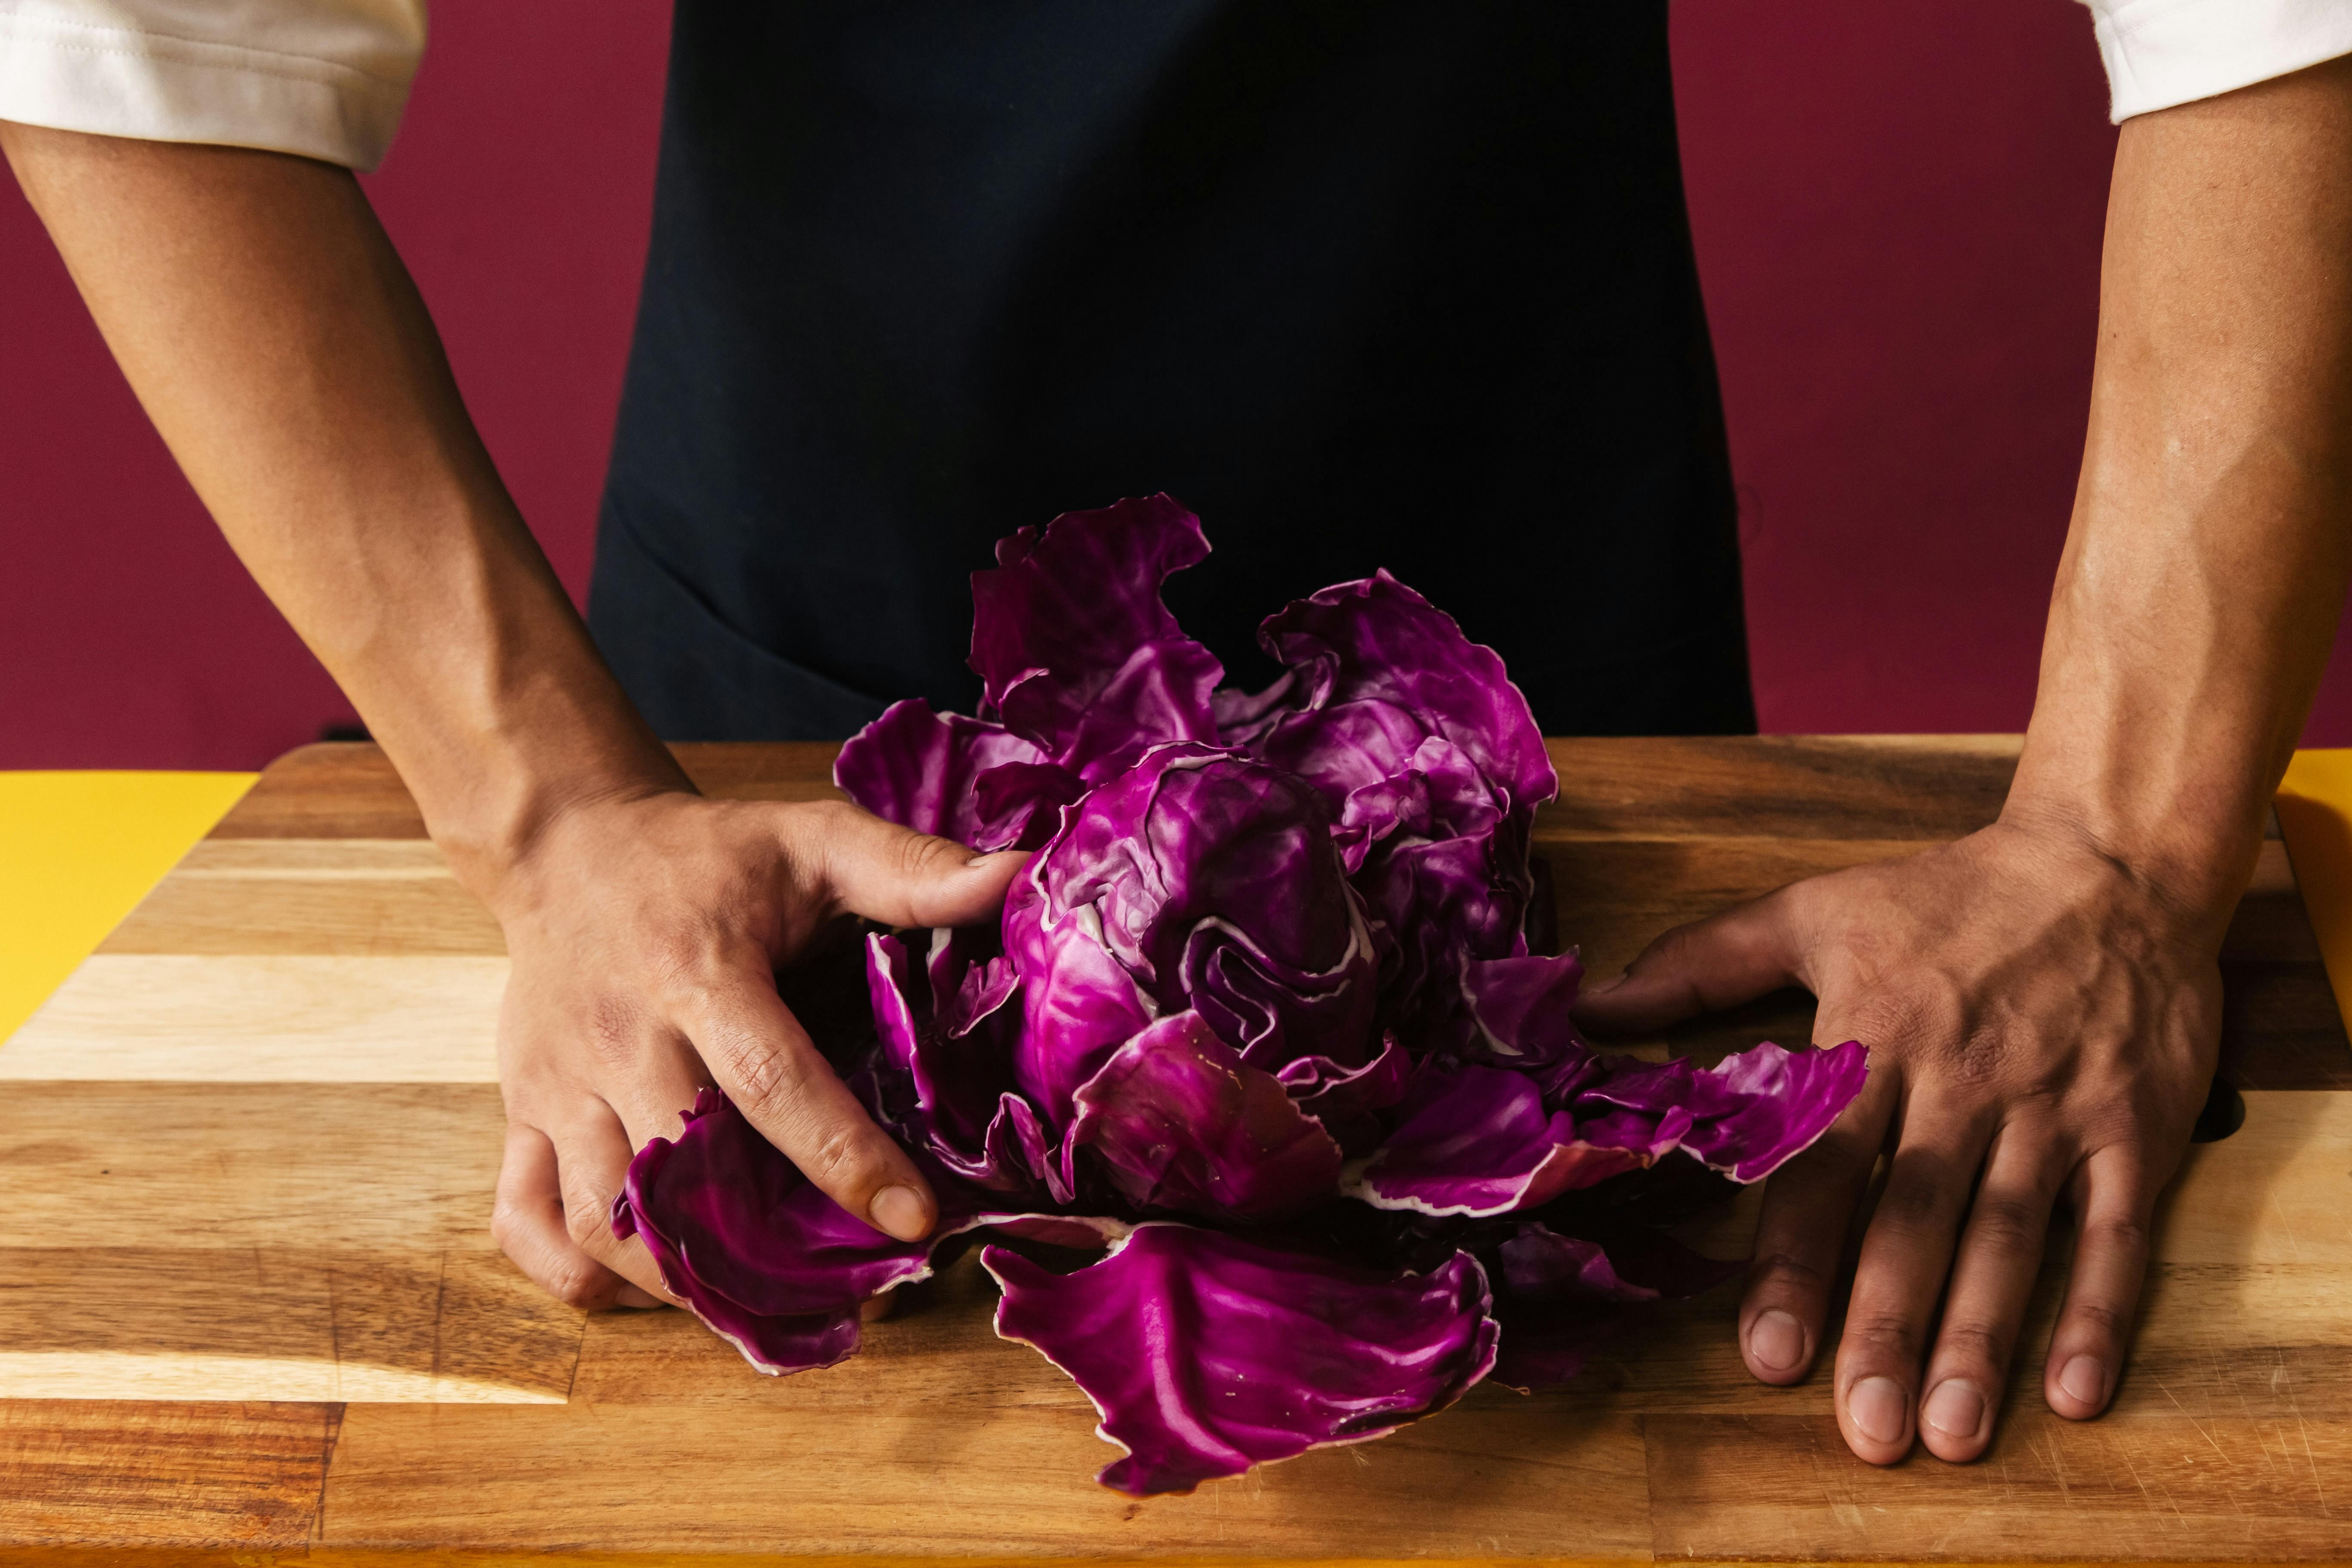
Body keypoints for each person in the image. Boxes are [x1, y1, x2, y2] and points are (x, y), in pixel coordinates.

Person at [3, 0, 2347, 1470]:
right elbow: (121, 27)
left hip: (1573, 767)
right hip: (813, 752)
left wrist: (2133, 853)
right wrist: (543, 817)